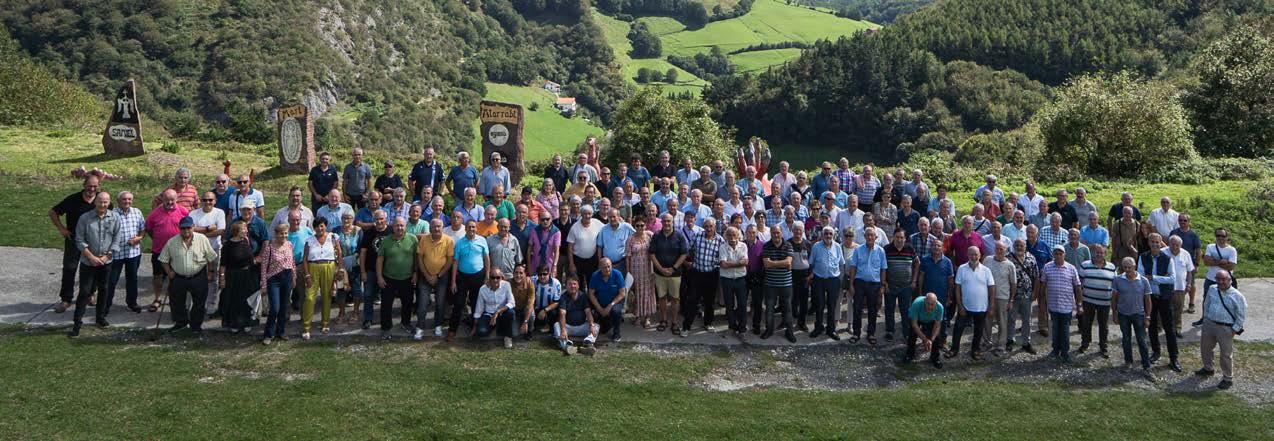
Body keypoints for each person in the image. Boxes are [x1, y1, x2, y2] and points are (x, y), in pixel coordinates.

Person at [67, 192, 120, 337]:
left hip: (106, 262)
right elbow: (79, 240)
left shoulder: (115, 217)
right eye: (100, 201)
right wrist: (91, 257)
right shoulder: (85, 218)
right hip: (88, 262)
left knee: (104, 289)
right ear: (95, 202)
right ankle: (77, 323)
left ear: (109, 203)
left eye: (105, 202)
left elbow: (117, 238)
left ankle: (100, 318)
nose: (103, 205)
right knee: (84, 291)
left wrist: (107, 256)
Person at [50, 175, 102, 313]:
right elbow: (53, 212)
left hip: (93, 241)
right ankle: (66, 299)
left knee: (93, 267)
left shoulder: (101, 199)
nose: (92, 189)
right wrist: (62, 229)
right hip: (74, 239)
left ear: (99, 186)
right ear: (84, 185)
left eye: (95, 186)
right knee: (69, 268)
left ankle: (90, 294)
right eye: (89, 186)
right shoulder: (73, 199)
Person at [158, 216, 219, 335]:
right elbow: (163, 259)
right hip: (178, 277)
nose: (186, 230)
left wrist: (210, 272)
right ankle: (180, 323)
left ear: (193, 227)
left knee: (199, 302)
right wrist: (169, 272)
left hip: (198, 275)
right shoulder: (172, 242)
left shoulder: (202, 239)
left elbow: (211, 257)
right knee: (176, 302)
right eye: (183, 228)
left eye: (188, 228)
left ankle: (196, 325)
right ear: (179, 229)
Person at [1139, 233, 1181, 372]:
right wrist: (1162, 278)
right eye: (1152, 242)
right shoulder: (1143, 257)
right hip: (1150, 297)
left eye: (1157, 242)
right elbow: (1141, 276)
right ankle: (1156, 352)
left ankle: (1173, 358)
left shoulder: (1167, 259)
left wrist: (1153, 277)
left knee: (1169, 328)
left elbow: (1172, 279)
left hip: (1164, 297)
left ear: (1161, 243)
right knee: (1152, 327)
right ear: (1149, 243)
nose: (1155, 244)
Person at [1196, 270, 1245, 390]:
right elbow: (1206, 304)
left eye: (1223, 279)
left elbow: (1241, 316)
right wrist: (1206, 319)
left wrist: (1234, 330)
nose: (1220, 282)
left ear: (1230, 280)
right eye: (1218, 279)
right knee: (1205, 348)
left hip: (1226, 327)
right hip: (1209, 324)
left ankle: (1228, 378)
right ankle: (1208, 368)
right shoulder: (1212, 289)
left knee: (1226, 354)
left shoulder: (1237, 296)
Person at [145, 189, 190, 313]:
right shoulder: (155, 213)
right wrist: (157, 238)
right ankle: (157, 299)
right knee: (158, 276)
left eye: (172, 200)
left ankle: (174, 299)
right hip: (159, 250)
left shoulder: (184, 211)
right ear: (162, 199)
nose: (170, 202)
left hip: (178, 250)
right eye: (167, 200)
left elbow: (189, 229)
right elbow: (149, 229)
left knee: (177, 276)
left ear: (176, 199)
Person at [1111, 256, 1155, 376]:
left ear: (1134, 266)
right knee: (1126, 339)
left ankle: (1146, 365)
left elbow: (1148, 300)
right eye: (1125, 267)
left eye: (1129, 267)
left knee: (1142, 340)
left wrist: (1148, 316)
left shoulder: (1143, 281)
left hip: (1139, 315)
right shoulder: (1117, 280)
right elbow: (1114, 298)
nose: (1127, 270)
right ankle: (1128, 362)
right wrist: (1114, 313)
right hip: (1123, 314)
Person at [376, 217, 418, 340]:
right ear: (392, 227)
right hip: (389, 278)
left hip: (407, 278)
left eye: (402, 225)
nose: (399, 228)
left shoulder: (413, 239)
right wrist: (379, 277)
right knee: (386, 305)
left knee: (407, 303)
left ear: (406, 226)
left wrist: (416, 273)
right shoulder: (386, 241)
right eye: (397, 225)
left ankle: (406, 323)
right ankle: (386, 328)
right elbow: (380, 260)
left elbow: (417, 258)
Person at [948, 247, 993, 360]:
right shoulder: (962, 269)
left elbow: (992, 288)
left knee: (978, 331)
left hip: (981, 307)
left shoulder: (986, 270)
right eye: (971, 254)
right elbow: (957, 288)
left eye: (976, 254)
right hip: (965, 307)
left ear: (980, 255)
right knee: (958, 329)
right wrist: (960, 305)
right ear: (967, 255)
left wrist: (991, 306)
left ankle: (975, 350)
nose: (973, 257)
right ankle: (954, 349)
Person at [300, 217, 342, 339]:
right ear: (314, 228)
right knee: (309, 297)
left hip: (329, 266)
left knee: (327, 296)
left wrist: (339, 269)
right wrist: (307, 275)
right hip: (313, 267)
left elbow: (339, 254)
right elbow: (305, 259)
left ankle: (325, 323)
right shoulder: (309, 240)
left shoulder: (333, 237)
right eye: (317, 226)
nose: (320, 228)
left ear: (326, 226)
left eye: (322, 225)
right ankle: (306, 327)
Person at [449, 220, 490, 341]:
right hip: (462, 277)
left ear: (476, 229)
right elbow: (455, 262)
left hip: (478, 276)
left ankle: (474, 327)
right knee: (459, 304)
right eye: (469, 227)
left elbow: (487, 259)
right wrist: (453, 281)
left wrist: (487, 275)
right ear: (465, 229)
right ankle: (452, 330)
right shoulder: (460, 242)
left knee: (476, 303)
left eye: (473, 227)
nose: (471, 229)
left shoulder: (482, 240)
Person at [412, 218, 453, 339]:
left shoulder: (448, 240)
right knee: (422, 304)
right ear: (430, 228)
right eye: (434, 226)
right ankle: (420, 327)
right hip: (425, 276)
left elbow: (449, 261)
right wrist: (427, 275)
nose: (436, 228)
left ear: (442, 227)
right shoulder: (424, 239)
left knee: (440, 303)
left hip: (442, 276)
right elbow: (419, 258)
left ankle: (438, 325)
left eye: (438, 226)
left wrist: (438, 275)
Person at [1042, 245, 1082, 363]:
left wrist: (1079, 304)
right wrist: (1042, 304)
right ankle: (1055, 350)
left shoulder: (1071, 268)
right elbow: (1043, 286)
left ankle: (1065, 352)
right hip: (1053, 305)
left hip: (1066, 306)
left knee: (1064, 330)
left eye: (1061, 254)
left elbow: (1077, 287)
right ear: (1053, 255)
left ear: (1064, 255)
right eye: (1056, 254)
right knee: (1055, 329)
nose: (1058, 256)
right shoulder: (1047, 267)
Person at [650, 213, 688, 334]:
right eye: (665, 221)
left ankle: (674, 322)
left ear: (673, 222)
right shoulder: (656, 235)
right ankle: (663, 320)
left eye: (669, 221)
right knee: (662, 298)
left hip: (675, 274)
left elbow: (684, 254)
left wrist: (673, 268)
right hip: (659, 273)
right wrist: (660, 269)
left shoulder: (679, 235)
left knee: (675, 298)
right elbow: (652, 254)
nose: (666, 223)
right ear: (661, 222)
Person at [190, 191, 226, 317]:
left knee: (213, 278)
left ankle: (211, 305)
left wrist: (199, 233)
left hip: (214, 249)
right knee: (196, 278)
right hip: (197, 251)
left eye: (210, 200)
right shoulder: (194, 213)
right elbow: (190, 230)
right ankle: (197, 304)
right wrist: (207, 229)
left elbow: (220, 231)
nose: (207, 202)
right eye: (205, 200)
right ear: (201, 201)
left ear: (215, 201)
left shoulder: (219, 213)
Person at [258, 223, 296, 345]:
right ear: (276, 234)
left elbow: (292, 262)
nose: (283, 236)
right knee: (275, 308)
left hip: (287, 277)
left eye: (285, 233)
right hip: (274, 279)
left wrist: (294, 277)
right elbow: (264, 267)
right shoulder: (269, 247)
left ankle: (281, 331)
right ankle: (268, 334)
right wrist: (264, 285)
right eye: (281, 233)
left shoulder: (289, 245)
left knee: (284, 307)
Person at [847, 228, 886, 344]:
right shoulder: (858, 250)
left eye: (872, 235)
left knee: (872, 310)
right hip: (859, 283)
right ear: (864, 237)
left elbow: (883, 269)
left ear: (876, 237)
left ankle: (871, 333)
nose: (869, 237)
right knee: (857, 308)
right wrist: (851, 285)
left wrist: (882, 286)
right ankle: (856, 333)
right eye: (867, 235)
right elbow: (853, 267)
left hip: (874, 284)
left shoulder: (881, 251)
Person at [685, 219, 725, 333]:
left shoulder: (720, 240)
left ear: (715, 227)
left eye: (711, 226)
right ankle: (686, 326)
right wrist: (692, 261)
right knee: (693, 300)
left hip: (712, 274)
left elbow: (722, 256)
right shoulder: (697, 236)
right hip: (697, 273)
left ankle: (708, 323)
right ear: (703, 227)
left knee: (709, 301)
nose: (708, 229)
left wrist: (715, 263)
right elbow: (690, 249)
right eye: (706, 226)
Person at [108, 191, 145, 313]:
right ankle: (105, 305)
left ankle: (132, 303)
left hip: (133, 253)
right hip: (116, 254)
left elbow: (142, 229)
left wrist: (139, 238)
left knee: (132, 279)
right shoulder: (111, 214)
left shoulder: (137, 212)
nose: (127, 201)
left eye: (129, 199)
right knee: (112, 280)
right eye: (124, 199)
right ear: (118, 201)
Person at [759, 226, 797, 343]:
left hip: (786, 284)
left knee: (787, 309)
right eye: (774, 233)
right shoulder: (766, 246)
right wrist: (783, 263)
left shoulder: (788, 245)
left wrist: (773, 263)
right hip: (770, 284)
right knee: (769, 309)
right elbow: (766, 264)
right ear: (770, 233)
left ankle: (789, 332)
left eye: (778, 232)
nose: (776, 235)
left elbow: (788, 262)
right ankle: (769, 330)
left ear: (781, 233)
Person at [1077, 245, 1116, 357]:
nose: (1099, 255)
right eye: (1097, 252)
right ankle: (1085, 344)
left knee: (1103, 325)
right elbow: (1079, 284)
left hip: (1105, 302)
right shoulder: (1085, 265)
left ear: (1105, 254)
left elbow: (1115, 284)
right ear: (1093, 253)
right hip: (1088, 301)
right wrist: (1079, 301)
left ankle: (1103, 346)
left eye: (1101, 253)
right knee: (1086, 323)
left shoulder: (1112, 267)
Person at [219, 221, 257, 334]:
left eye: (246, 229)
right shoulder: (228, 245)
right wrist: (222, 278)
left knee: (246, 299)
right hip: (233, 275)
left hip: (246, 275)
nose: (246, 231)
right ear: (236, 231)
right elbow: (223, 264)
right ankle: (234, 323)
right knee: (234, 300)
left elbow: (250, 258)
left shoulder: (245, 241)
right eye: (243, 229)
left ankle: (246, 322)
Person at [883, 229, 918, 342]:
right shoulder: (886, 249)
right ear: (893, 237)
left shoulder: (910, 248)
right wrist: (884, 283)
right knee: (889, 309)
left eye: (901, 237)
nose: (899, 239)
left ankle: (906, 333)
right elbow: (882, 267)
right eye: (897, 237)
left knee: (906, 311)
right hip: (891, 285)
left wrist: (914, 281)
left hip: (906, 286)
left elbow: (917, 263)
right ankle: (890, 331)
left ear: (905, 238)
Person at [357, 210, 390, 330]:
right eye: (376, 219)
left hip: (388, 270)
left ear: (386, 219)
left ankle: (385, 319)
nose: (379, 221)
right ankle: (368, 319)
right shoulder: (368, 232)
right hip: (370, 269)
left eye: (381, 219)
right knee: (368, 295)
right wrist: (362, 271)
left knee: (386, 297)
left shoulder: (391, 231)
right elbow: (363, 253)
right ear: (373, 220)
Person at [982, 242, 1016, 356]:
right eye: (997, 248)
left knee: (1002, 322)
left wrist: (1011, 300)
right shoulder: (987, 260)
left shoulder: (1010, 265)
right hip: (987, 296)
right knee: (987, 320)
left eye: (1002, 249)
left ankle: (1001, 346)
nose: (999, 251)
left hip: (1003, 297)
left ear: (1006, 250)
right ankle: (987, 342)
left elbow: (1013, 284)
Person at [1007, 239, 1040, 354]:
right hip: (1012, 295)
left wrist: (1035, 292)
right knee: (1011, 319)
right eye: (1016, 245)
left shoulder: (1031, 258)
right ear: (1013, 246)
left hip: (1027, 295)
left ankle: (1026, 343)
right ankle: (1010, 340)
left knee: (1027, 320)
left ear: (1025, 247)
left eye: (1021, 245)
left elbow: (1036, 276)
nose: (1019, 247)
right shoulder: (1008, 258)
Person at [471, 268, 516, 348]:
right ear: (489, 277)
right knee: (481, 332)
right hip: (488, 314)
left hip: (502, 313)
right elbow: (479, 308)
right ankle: (495, 326)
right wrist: (475, 326)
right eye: (493, 277)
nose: (495, 280)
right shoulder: (483, 289)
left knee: (511, 312)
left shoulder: (506, 285)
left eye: (498, 277)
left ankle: (508, 336)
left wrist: (497, 312)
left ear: (501, 278)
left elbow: (512, 302)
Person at [555, 276, 599, 355]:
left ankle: (588, 343)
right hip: (568, 327)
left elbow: (588, 312)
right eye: (570, 284)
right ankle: (567, 346)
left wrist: (591, 325)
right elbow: (562, 314)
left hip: (581, 327)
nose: (572, 286)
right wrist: (563, 329)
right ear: (566, 286)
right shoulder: (563, 297)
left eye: (574, 284)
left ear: (578, 285)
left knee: (596, 326)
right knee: (556, 326)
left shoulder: (583, 296)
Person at [1198, 228, 1238, 316]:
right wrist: (1222, 262)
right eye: (1218, 235)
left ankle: (1224, 318)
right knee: (1207, 300)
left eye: (1223, 236)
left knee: (1226, 300)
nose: (1220, 238)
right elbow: (1206, 262)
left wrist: (1213, 261)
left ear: (1227, 237)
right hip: (1211, 279)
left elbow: (1231, 266)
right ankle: (1204, 318)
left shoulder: (1232, 250)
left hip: (1225, 280)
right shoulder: (1210, 247)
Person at [588, 257, 627, 342]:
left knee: (616, 311)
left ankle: (616, 333)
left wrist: (610, 305)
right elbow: (591, 294)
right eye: (604, 267)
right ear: (600, 268)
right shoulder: (595, 275)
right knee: (603, 330)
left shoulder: (617, 274)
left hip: (615, 302)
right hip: (601, 303)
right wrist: (599, 308)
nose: (607, 269)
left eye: (609, 266)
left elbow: (622, 293)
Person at [626, 217, 656, 329]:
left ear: (645, 225)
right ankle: (638, 316)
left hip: (648, 269)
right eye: (637, 225)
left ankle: (647, 317)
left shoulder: (650, 236)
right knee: (637, 293)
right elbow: (628, 257)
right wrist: (628, 272)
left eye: (642, 225)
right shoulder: (630, 239)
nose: (640, 227)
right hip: (635, 270)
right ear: (634, 226)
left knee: (648, 293)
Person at [719, 226, 750, 335]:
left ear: (738, 236)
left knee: (742, 304)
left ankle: (742, 327)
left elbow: (745, 262)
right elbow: (723, 264)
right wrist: (738, 263)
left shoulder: (743, 246)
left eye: (734, 235)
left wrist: (730, 263)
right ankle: (732, 326)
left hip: (740, 279)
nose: (732, 237)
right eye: (729, 235)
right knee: (729, 304)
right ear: (726, 236)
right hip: (727, 279)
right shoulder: (722, 247)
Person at [1169, 213, 1202, 314]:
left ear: (1189, 222)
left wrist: (1197, 264)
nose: (1182, 222)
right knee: (1176, 282)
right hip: (1174, 262)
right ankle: (1179, 301)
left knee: (1190, 284)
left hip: (1188, 263)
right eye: (1180, 220)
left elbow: (1198, 250)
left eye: (1185, 220)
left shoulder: (1193, 235)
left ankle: (1191, 303)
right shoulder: (1174, 232)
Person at [905, 293, 947, 368]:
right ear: (924, 301)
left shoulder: (940, 307)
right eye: (928, 304)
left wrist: (931, 340)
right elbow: (914, 324)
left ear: (936, 303)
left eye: (932, 304)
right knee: (912, 334)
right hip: (918, 318)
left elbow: (937, 325)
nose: (930, 307)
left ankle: (935, 357)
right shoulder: (916, 304)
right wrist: (925, 339)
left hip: (931, 320)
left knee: (937, 337)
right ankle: (909, 354)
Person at [566, 206, 603, 290]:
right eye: (585, 214)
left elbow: (607, 227)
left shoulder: (596, 223)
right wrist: (571, 264)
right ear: (581, 214)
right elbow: (570, 247)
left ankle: (590, 298)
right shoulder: (575, 227)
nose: (587, 216)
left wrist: (620, 220)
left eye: (589, 214)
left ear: (592, 214)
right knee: (579, 284)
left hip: (592, 260)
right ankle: (581, 298)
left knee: (592, 283)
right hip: (578, 260)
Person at [1165, 236, 1195, 338]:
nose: (1174, 247)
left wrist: (1189, 284)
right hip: (1165, 286)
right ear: (1169, 244)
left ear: (1180, 245)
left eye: (1177, 245)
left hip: (1180, 287)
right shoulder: (1163, 252)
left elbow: (1189, 271)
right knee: (1163, 308)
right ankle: (1159, 327)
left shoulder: (1185, 254)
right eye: (1172, 244)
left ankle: (1177, 328)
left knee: (1178, 308)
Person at [336, 212, 362, 321]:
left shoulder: (359, 230)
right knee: (341, 289)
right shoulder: (336, 230)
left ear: (353, 219)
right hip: (340, 265)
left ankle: (355, 312)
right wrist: (340, 262)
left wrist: (353, 258)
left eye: (349, 218)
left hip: (355, 264)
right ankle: (341, 313)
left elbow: (361, 247)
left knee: (356, 289)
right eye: (344, 218)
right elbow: (333, 246)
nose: (346, 220)